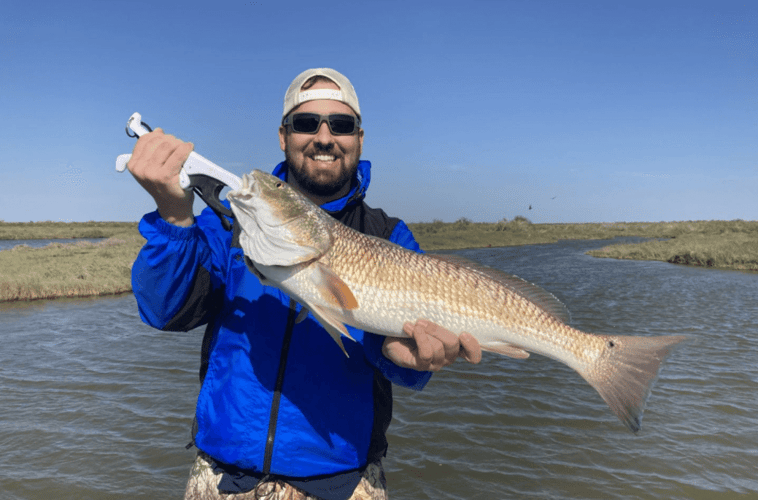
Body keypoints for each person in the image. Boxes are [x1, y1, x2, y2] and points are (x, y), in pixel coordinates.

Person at [127, 68, 482, 500]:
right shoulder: (233, 225)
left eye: (342, 124)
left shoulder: (389, 236)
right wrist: (173, 216)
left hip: (346, 484)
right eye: (306, 122)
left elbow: (405, 360)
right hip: (222, 478)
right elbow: (166, 310)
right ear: (283, 135)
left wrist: (404, 358)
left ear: (360, 139)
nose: (325, 136)